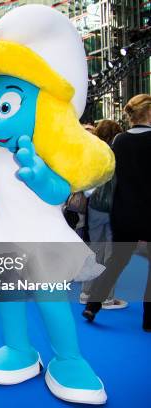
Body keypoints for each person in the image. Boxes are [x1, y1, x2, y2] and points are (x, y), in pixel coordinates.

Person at [83, 94, 151, 331]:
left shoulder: (119, 141)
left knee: (115, 262)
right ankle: (149, 317)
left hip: (122, 213)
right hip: (147, 212)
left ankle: (93, 304)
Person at [80, 119, 127, 309]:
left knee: (94, 249)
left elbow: (86, 183)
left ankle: (86, 292)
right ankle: (106, 297)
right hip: (115, 208)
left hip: (95, 207)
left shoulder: (92, 152)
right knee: (111, 253)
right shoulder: (120, 153)